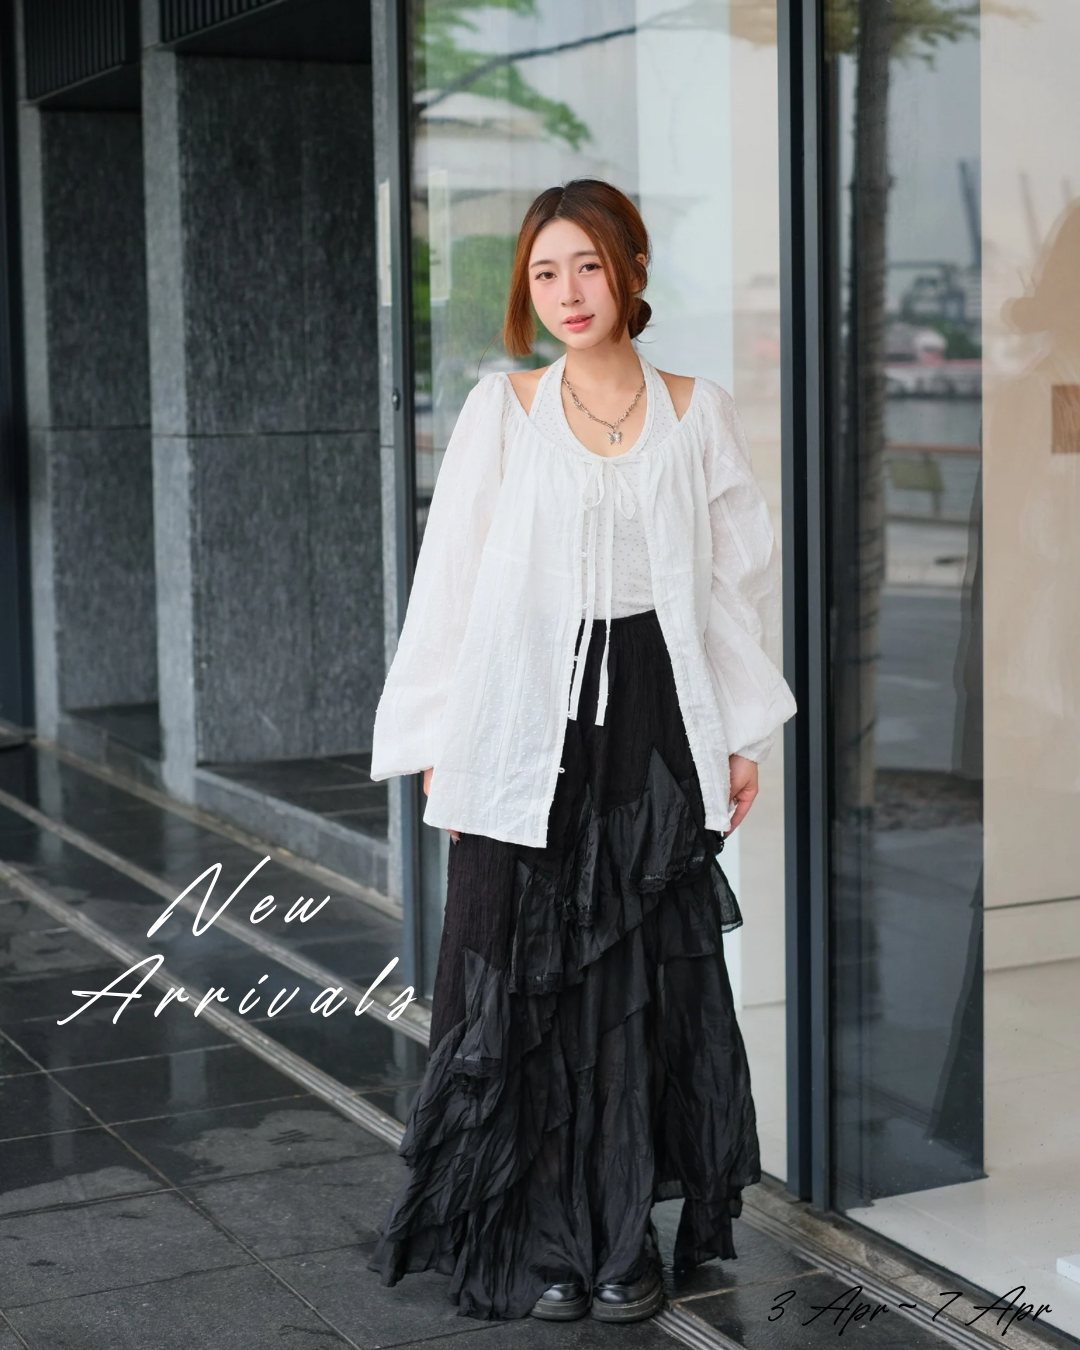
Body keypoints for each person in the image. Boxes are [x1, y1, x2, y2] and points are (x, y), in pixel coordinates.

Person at [365, 178, 797, 1324]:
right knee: (532, 984)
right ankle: (552, 1236)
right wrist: (439, 739)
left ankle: (622, 1239)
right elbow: (453, 581)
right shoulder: (502, 410)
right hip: (525, 718)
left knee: (636, 989)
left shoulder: (697, 411)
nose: (567, 291)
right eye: (546, 271)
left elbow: (734, 589)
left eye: (588, 267)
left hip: (655, 716)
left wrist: (743, 734)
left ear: (631, 272)